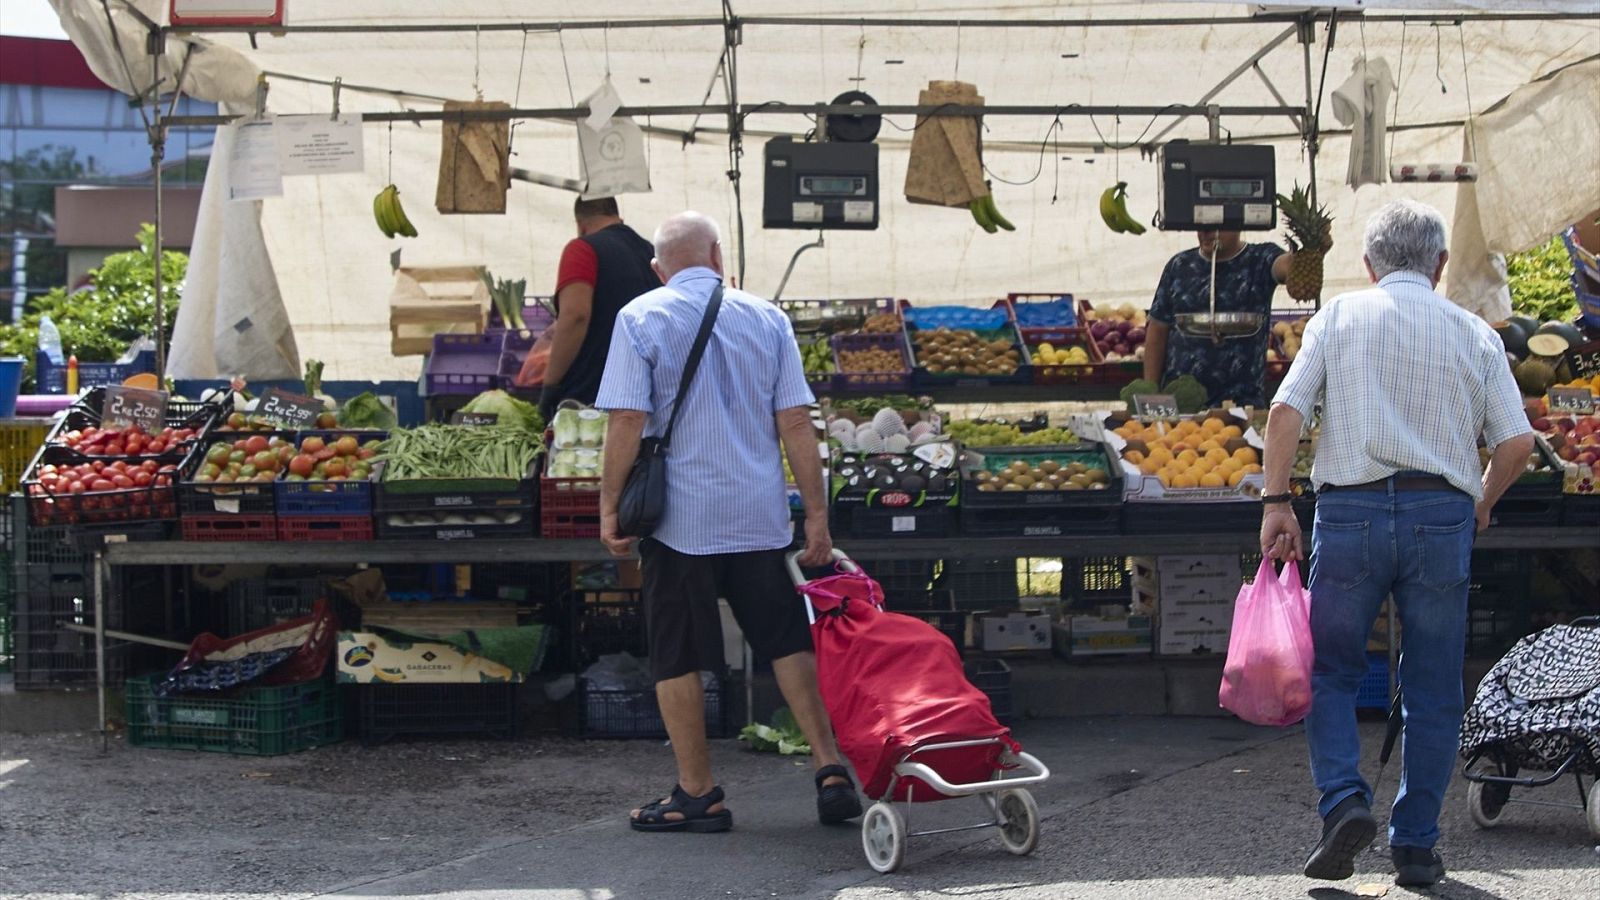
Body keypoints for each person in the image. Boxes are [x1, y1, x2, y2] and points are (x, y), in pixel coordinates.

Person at [1260, 200, 1534, 888]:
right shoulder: (1474, 332)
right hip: (1440, 513)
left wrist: (1275, 501)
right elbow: (1519, 441)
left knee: (1333, 673)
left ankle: (1345, 802)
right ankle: (1415, 845)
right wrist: (1481, 499)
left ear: (1368, 264)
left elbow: (1285, 411)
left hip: (1349, 512)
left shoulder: (1339, 317)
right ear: (1440, 265)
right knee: (1434, 688)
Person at [594, 211, 861, 834]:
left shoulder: (640, 316)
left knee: (676, 653)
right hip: (758, 517)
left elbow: (626, 422)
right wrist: (817, 517)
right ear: (718, 256)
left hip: (678, 522)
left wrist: (609, 508)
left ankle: (698, 793)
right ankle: (829, 768)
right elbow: (796, 423)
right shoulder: (766, 317)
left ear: (659, 271)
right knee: (787, 642)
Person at [1144, 230, 1295, 408]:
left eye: (1218, 226)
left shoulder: (1260, 259)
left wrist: (1312, 251)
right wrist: (1151, 394)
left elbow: (1286, 268)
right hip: (1181, 407)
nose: (1208, 233)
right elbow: (1157, 330)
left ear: (1238, 223)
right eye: (1202, 225)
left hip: (1242, 405)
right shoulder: (1179, 266)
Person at [539, 196, 658, 419]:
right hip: (643, 394)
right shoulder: (650, 251)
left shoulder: (582, 249)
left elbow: (576, 316)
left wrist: (551, 384)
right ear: (617, 216)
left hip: (592, 397)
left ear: (581, 225)